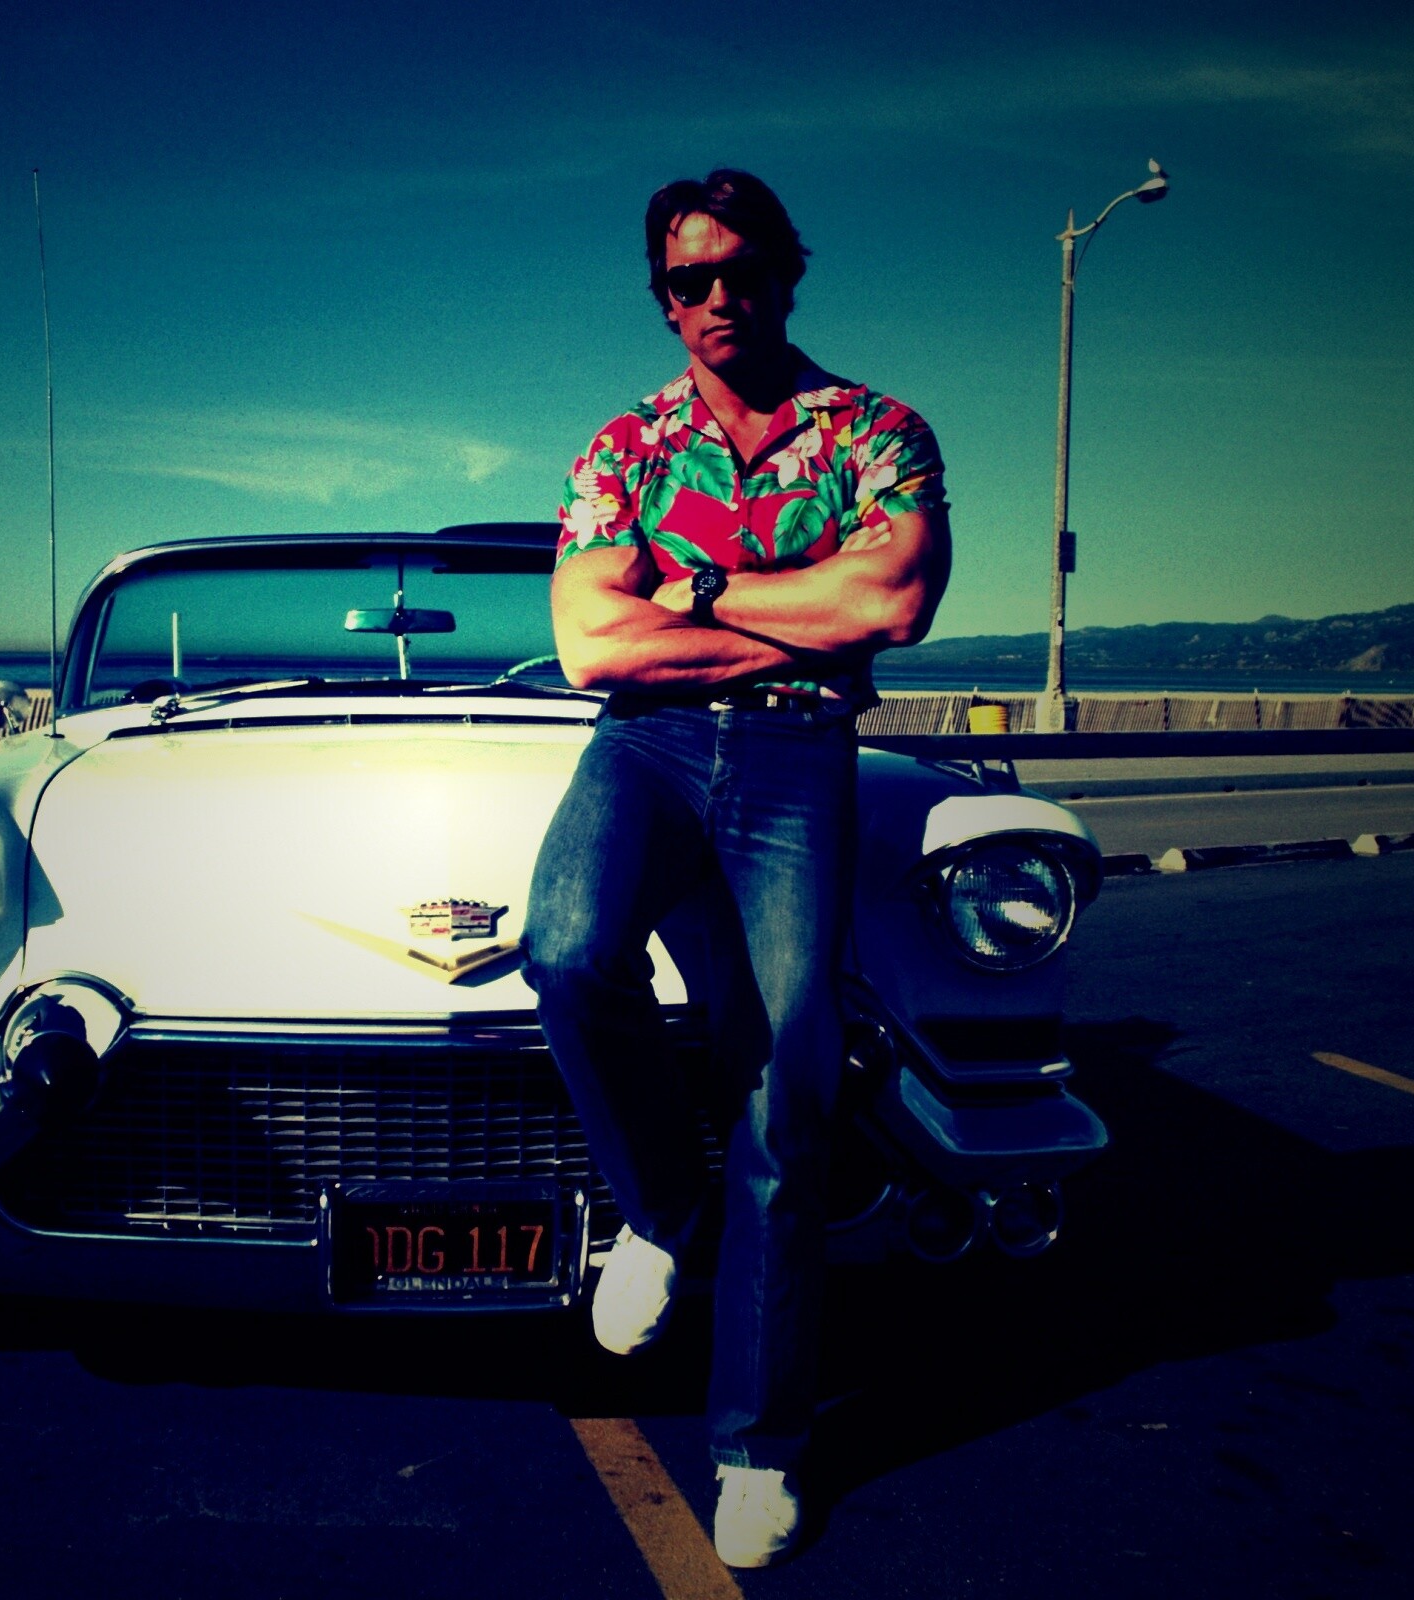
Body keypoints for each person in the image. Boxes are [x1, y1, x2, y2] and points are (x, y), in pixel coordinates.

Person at [524, 168, 949, 1568]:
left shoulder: (876, 430)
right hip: (642, 746)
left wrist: (690, 595)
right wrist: (801, 615)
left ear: (786, 273)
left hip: (793, 756)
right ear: (663, 299)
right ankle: (663, 1213)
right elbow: (592, 643)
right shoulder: (624, 446)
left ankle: (760, 1445)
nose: (718, 298)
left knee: (787, 1087)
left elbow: (895, 597)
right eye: (688, 281)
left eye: (741, 271)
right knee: (565, 950)